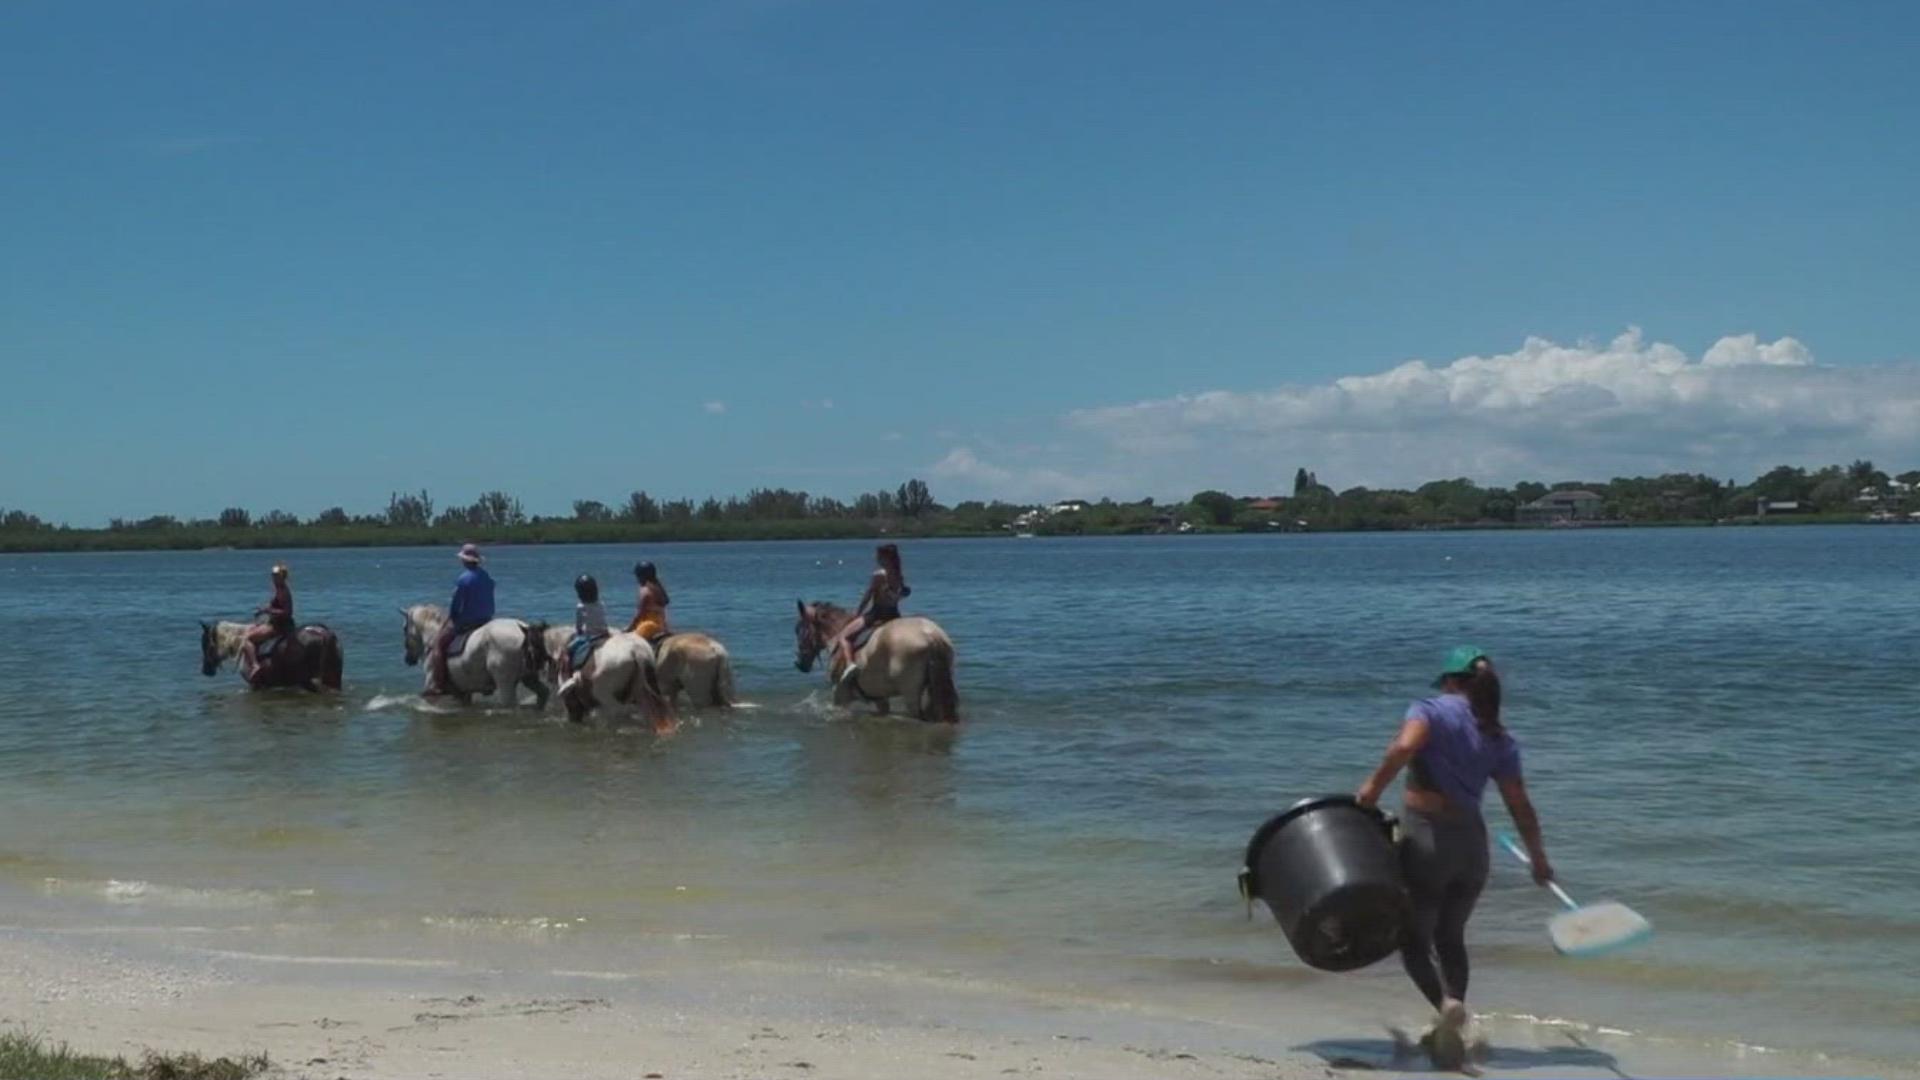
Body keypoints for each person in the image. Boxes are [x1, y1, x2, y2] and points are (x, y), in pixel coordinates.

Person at [1354, 647, 1553, 1069]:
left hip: (1429, 840)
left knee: (1412, 940)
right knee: (1451, 937)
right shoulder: (1498, 734)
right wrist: (1538, 858)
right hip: (1472, 848)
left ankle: (1446, 1009)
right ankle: (1456, 1010)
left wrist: (1370, 791)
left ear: (1449, 681)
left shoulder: (1430, 710)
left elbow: (1404, 747)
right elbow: (1520, 805)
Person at [830, 543, 910, 679]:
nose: (876, 558)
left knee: (844, 636)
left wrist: (858, 612)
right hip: (894, 615)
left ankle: (850, 666)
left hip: (876, 615)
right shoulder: (899, 575)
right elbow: (902, 594)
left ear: (884, 557)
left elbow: (869, 594)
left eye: (878, 556)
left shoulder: (879, 574)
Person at [426, 543, 495, 696]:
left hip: (468, 622)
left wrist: (452, 619)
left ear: (464, 561)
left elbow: (456, 606)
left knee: (438, 645)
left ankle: (438, 684)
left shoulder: (463, 579)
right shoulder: (487, 577)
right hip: (487, 620)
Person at [557, 573, 610, 700]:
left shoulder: (580, 606)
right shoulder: (601, 603)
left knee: (567, 652)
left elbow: (579, 627)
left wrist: (579, 634)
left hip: (589, 637)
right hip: (604, 634)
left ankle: (568, 678)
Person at [240, 563, 294, 679]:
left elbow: (287, 612)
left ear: (281, 576)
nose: (273, 578)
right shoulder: (279, 589)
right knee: (252, 628)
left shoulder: (284, 591)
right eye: (273, 575)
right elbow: (274, 606)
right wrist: (263, 611)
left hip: (279, 626)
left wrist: (268, 610)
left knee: (246, 639)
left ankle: (255, 665)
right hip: (276, 623)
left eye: (276, 575)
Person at [629, 561, 670, 643]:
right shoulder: (659, 590)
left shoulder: (645, 591)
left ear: (641, 576)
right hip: (662, 626)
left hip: (648, 626)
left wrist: (629, 628)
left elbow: (640, 615)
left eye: (638, 576)